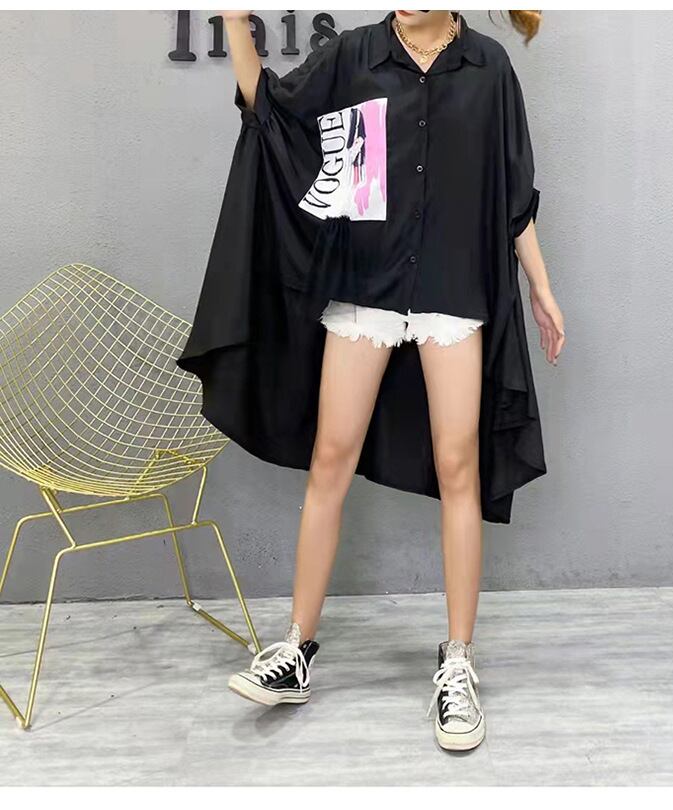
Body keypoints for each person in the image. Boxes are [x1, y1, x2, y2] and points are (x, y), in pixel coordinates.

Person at [178, 10, 564, 753]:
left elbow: (513, 195)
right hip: (365, 284)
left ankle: (457, 662)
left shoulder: (488, 69)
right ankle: (296, 649)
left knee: (459, 466)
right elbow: (270, 109)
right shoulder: (355, 54)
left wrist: (541, 289)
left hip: (453, 287)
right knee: (330, 458)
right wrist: (232, 21)